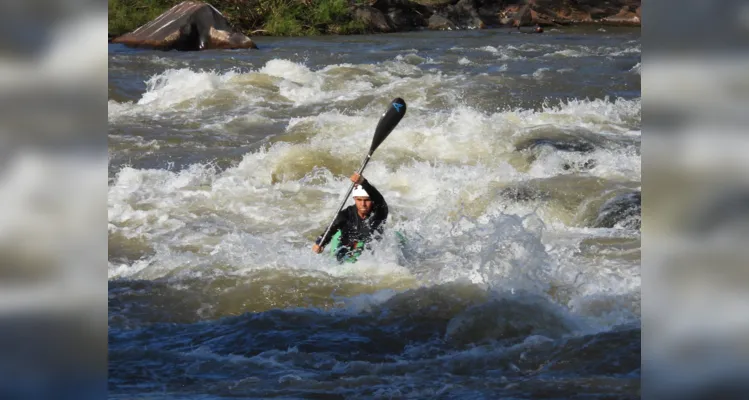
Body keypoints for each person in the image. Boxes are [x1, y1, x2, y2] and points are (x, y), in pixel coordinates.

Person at [312, 173, 388, 261]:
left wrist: (363, 182)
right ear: (354, 199)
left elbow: (379, 200)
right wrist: (320, 243)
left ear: (372, 201)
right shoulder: (345, 214)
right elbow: (331, 229)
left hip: (369, 246)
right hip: (348, 244)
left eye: (367, 200)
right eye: (359, 200)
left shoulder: (379, 213)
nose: (363, 204)